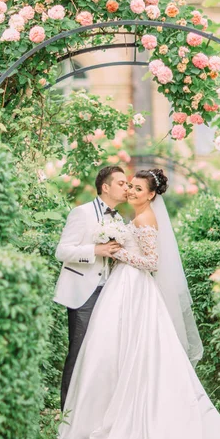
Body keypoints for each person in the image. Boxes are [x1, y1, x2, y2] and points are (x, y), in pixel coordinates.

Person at [58, 169, 220, 439]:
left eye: (138, 189)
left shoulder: (145, 221)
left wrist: (120, 255)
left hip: (135, 288)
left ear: (151, 195)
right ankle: (101, 416)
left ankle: (133, 420)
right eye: (129, 186)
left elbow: (152, 262)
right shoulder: (128, 219)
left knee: (134, 353)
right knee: (110, 353)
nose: (131, 191)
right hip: (122, 288)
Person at [54, 165, 128, 411]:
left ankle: (93, 411)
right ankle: (67, 413)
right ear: (105, 187)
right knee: (78, 352)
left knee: (103, 354)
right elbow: (62, 251)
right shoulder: (82, 213)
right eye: (121, 183)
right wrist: (96, 251)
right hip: (83, 293)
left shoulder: (119, 220)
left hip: (110, 292)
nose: (126, 187)